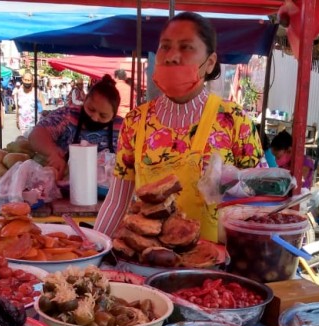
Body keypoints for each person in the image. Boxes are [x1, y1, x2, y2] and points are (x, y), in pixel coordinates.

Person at [94, 12, 262, 242]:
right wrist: (93, 251)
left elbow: (262, 199)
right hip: (148, 263)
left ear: (210, 62)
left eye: (186, 47)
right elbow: (117, 201)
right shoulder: (134, 122)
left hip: (214, 268)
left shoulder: (234, 120)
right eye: (165, 46)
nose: (172, 56)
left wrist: (231, 185)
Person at [29, 75, 122, 179]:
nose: (95, 118)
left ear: (113, 115)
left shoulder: (123, 127)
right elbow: (37, 133)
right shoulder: (67, 114)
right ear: (85, 99)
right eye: (91, 109)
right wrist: (53, 153)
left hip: (108, 191)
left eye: (103, 115)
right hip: (66, 185)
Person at [14, 72, 42, 137]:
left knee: (35, 141)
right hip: (23, 122)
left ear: (32, 81)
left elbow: (42, 106)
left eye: (29, 80)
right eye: (25, 80)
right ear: (22, 80)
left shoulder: (37, 92)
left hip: (35, 121)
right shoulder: (18, 92)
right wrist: (17, 119)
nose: (27, 82)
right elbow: (17, 107)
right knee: (25, 141)